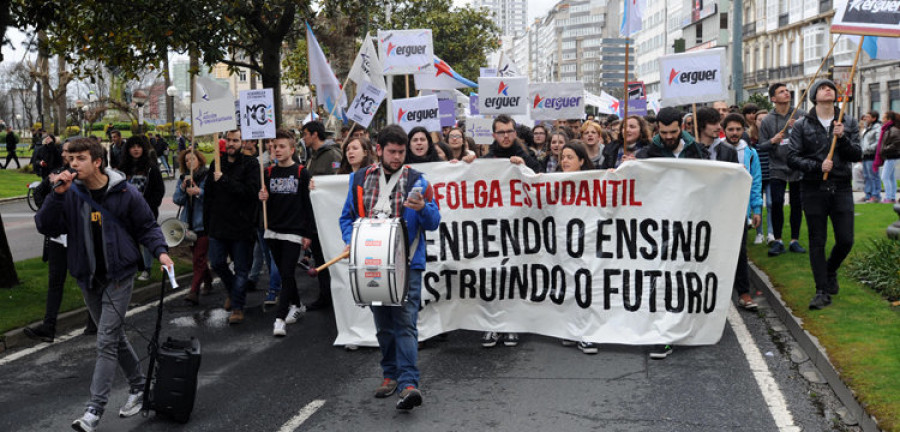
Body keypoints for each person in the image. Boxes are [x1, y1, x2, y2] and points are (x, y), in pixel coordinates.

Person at [35, 138, 173, 431]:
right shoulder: (69, 194)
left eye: (81, 158)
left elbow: (147, 226)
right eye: (71, 159)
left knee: (106, 340)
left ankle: (94, 411)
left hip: (120, 275)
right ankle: (139, 387)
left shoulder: (124, 191)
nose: (73, 164)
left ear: (97, 161)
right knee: (114, 337)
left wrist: (161, 252)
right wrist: (57, 194)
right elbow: (46, 226)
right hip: (88, 276)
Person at [339, 124, 441, 410]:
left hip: (408, 264)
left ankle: (409, 384)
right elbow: (346, 218)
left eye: (401, 152)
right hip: (371, 263)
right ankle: (390, 374)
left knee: (405, 324)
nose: (397, 157)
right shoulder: (359, 179)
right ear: (379, 150)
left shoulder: (419, 181)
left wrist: (423, 208)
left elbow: (434, 222)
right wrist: (351, 241)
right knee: (383, 325)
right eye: (392, 152)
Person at [635, 107, 707, 360]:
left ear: (682, 128)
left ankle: (683, 324)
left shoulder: (698, 151)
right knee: (661, 279)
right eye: (664, 132)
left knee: (684, 277)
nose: (668, 137)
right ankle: (661, 334)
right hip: (658, 228)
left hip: (690, 224)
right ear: (657, 130)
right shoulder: (646, 154)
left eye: (673, 132)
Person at [786, 79, 861, 310]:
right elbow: (792, 157)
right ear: (814, 96)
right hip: (813, 188)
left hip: (841, 187)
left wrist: (844, 137)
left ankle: (830, 270)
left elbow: (857, 154)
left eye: (830, 87)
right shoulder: (801, 125)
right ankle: (821, 290)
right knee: (817, 240)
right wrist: (816, 167)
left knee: (846, 240)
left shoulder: (847, 121)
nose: (827, 89)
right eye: (822, 88)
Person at [24, 139, 98, 342]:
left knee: (87, 279)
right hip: (58, 239)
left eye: (74, 155)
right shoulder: (57, 174)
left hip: (79, 237)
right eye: (67, 153)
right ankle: (49, 326)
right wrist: (52, 199)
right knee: (55, 282)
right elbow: (39, 196)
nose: (69, 157)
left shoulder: (85, 177)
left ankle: (95, 319)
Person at [258, 130, 316, 337]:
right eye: (274, 146)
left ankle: (279, 318)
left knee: (286, 273)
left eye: (282, 146)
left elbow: (307, 204)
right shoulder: (267, 173)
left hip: (293, 231)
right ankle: (298, 304)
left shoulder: (301, 172)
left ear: (292, 149)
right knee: (286, 274)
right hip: (273, 230)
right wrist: (263, 196)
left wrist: (308, 233)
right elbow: (267, 202)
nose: (277, 150)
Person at [204, 129, 261, 324]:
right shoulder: (216, 164)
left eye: (235, 140)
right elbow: (209, 196)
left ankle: (238, 307)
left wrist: (225, 180)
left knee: (241, 269)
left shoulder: (251, 164)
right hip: (218, 225)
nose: (231, 144)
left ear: (243, 143)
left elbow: (250, 193)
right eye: (228, 140)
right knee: (217, 262)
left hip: (241, 226)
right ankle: (233, 291)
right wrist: (207, 224)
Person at [759, 82, 807, 257]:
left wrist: (798, 128)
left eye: (787, 91)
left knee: (797, 204)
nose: (786, 93)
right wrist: (772, 141)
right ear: (773, 98)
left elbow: (809, 139)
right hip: (776, 167)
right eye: (781, 92)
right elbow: (761, 146)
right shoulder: (767, 120)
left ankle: (794, 240)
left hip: (796, 166)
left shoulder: (800, 115)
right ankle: (778, 240)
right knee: (777, 203)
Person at [722, 113, 763, 311]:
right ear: (724, 131)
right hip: (719, 208)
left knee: (740, 252)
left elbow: (755, 182)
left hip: (741, 209)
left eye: (738, 129)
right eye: (730, 129)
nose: (735, 133)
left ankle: (744, 293)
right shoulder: (717, 150)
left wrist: (756, 209)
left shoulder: (751, 154)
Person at [301, 120, 338, 310]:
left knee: (330, 259)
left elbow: (338, 181)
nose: (303, 138)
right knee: (320, 259)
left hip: (328, 218)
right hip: (316, 217)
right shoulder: (312, 157)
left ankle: (336, 297)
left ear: (315, 134)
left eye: (305, 134)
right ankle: (325, 296)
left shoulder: (332, 154)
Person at [119, 136, 165, 281]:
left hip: (146, 211)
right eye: (133, 147)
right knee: (129, 240)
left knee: (146, 240)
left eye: (139, 146)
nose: (136, 149)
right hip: (126, 211)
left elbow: (159, 190)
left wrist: (150, 206)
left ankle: (147, 268)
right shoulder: (123, 169)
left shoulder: (151, 168)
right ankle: (133, 267)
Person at [172, 149, 213, 305]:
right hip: (188, 224)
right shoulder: (183, 178)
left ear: (200, 160)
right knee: (197, 257)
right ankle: (208, 279)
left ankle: (194, 290)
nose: (190, 162)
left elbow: (211, 197)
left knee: (199, 258)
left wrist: (198, 192)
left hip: (203, 222)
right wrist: (183, 188)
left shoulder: (207, 175)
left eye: (193, 159)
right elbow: (177, 199)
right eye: (187, 160)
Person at [752, 110, 775, 244]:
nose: (763, 122)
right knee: (758, 206)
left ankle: (771, 233)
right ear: (755, 122)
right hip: (757, 177)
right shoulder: (751, 138)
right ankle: (759, 233)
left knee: (771, 203)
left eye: (765, 119)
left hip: (770, 175)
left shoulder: (773, 135)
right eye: (760, 119)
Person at [876, 112, 900, 203]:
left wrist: (885, 149)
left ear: (889, 119)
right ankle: (892, 197)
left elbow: (897, 142)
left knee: (885, 177)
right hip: (890, 156)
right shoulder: (888, 129)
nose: (882, 119)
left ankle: (889, 197)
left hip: (891, 156)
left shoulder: (893, 130)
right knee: (890, 177)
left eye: (884, 118)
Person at [860, 111, 882, 203]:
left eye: (868, 117)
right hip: (865, 155)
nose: (866, 118)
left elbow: (878, 142)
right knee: (866, 176)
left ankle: (875, 195)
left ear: (874, 118)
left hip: (872, 155)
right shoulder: (867, 128)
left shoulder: (877, 128)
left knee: (873, 176)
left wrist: (868, 148)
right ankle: (868, 194)